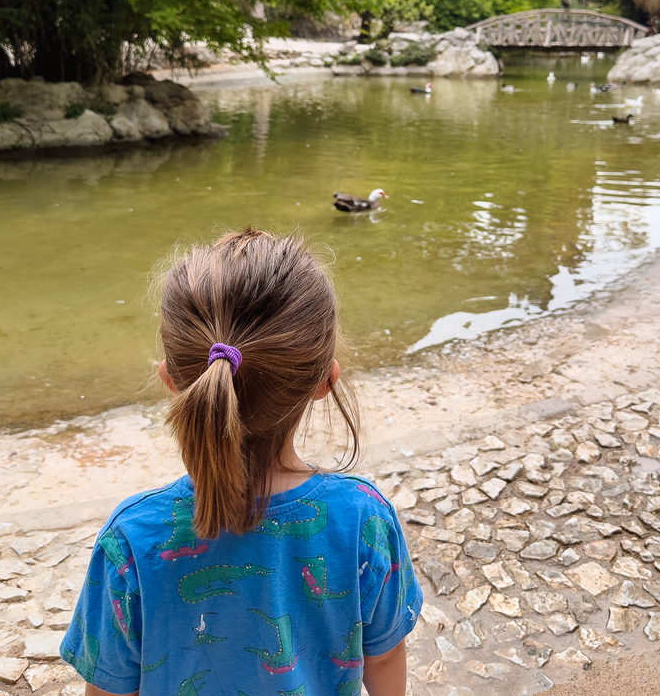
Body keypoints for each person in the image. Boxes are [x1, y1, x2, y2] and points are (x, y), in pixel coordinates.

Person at [60, 228, 423, 696]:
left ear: (172, 380)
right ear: (325, 378)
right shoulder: (364, 518)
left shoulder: (132, 538)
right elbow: (386, 653)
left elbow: (109, 688)